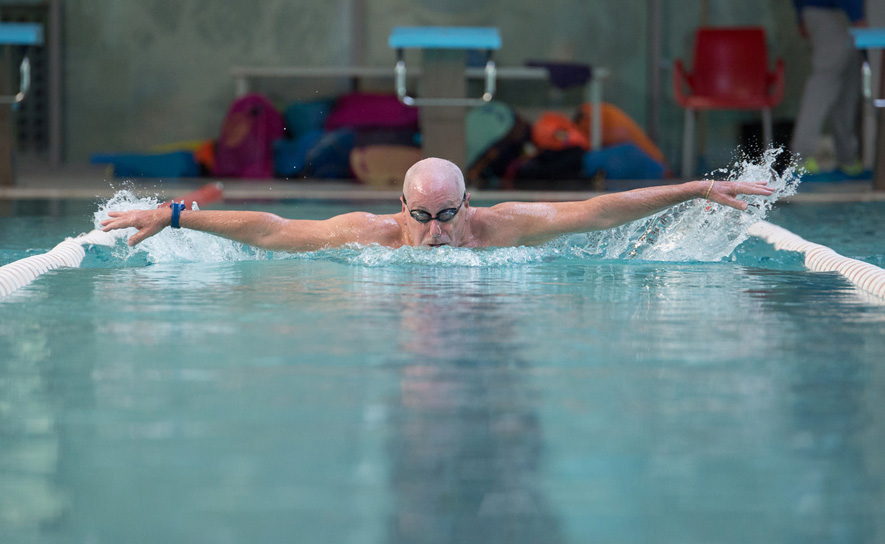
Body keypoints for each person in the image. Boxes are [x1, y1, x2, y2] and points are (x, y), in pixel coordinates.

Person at [101, 157, 774, 251]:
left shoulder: (498, 227)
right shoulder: (373, 234)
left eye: (445, 216)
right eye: (419, 216)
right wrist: (177, 212)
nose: (431, 232)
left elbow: (601, 209)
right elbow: (275, 231)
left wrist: (689, 189)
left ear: (466, 205)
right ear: (400, 208)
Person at [790, 0, 867, 176]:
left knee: (848, 85)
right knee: (824, 83)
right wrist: (858, 17)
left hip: (825, 11)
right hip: (830, 11)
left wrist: (801, 14)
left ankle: (846, 156)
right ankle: (802, 156)